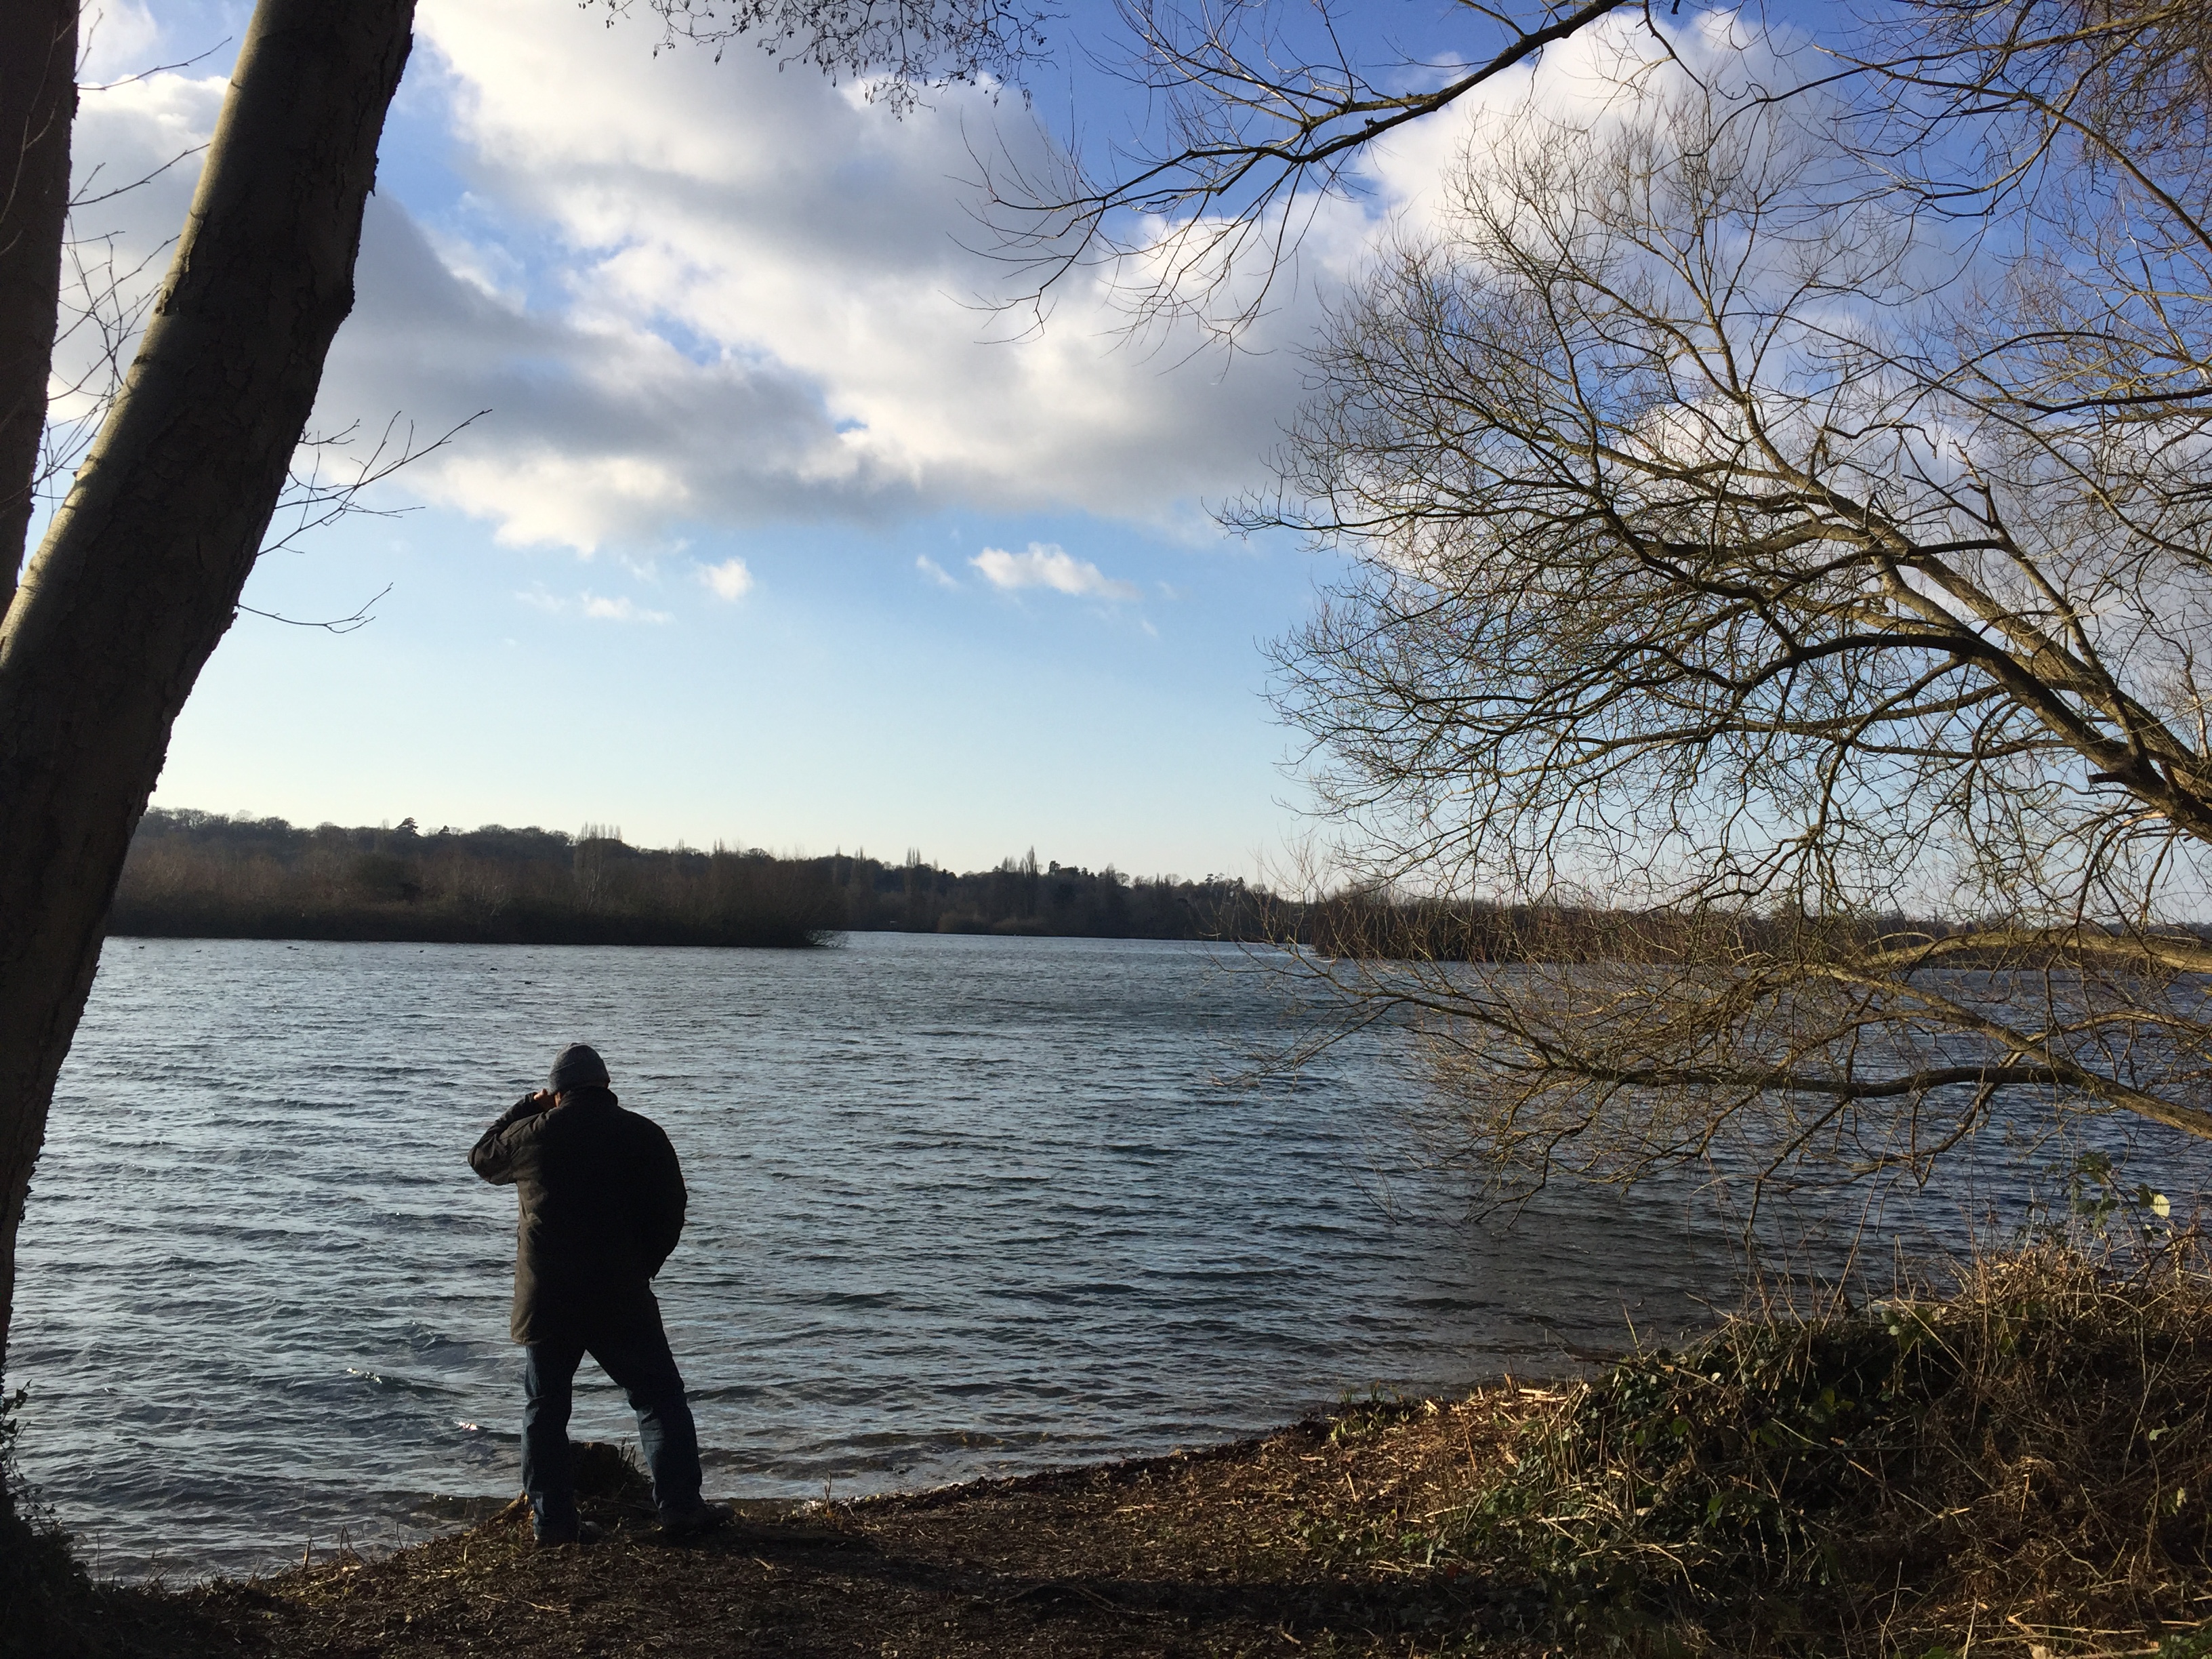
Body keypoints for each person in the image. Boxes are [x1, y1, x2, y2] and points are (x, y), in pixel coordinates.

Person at [469, 1042, 726, 1545]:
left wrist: (527, 1104)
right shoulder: (644, 1134)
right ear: (607, 1086)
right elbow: (671, 1211)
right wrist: (643, 1266)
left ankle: (553, 1524)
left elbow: (482, 1157)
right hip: (620, 1292)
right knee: (658, 1398)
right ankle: (680, 1506)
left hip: (548, 1299)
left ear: (558, 1094)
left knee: (545, 1409)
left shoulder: (532, 1135)